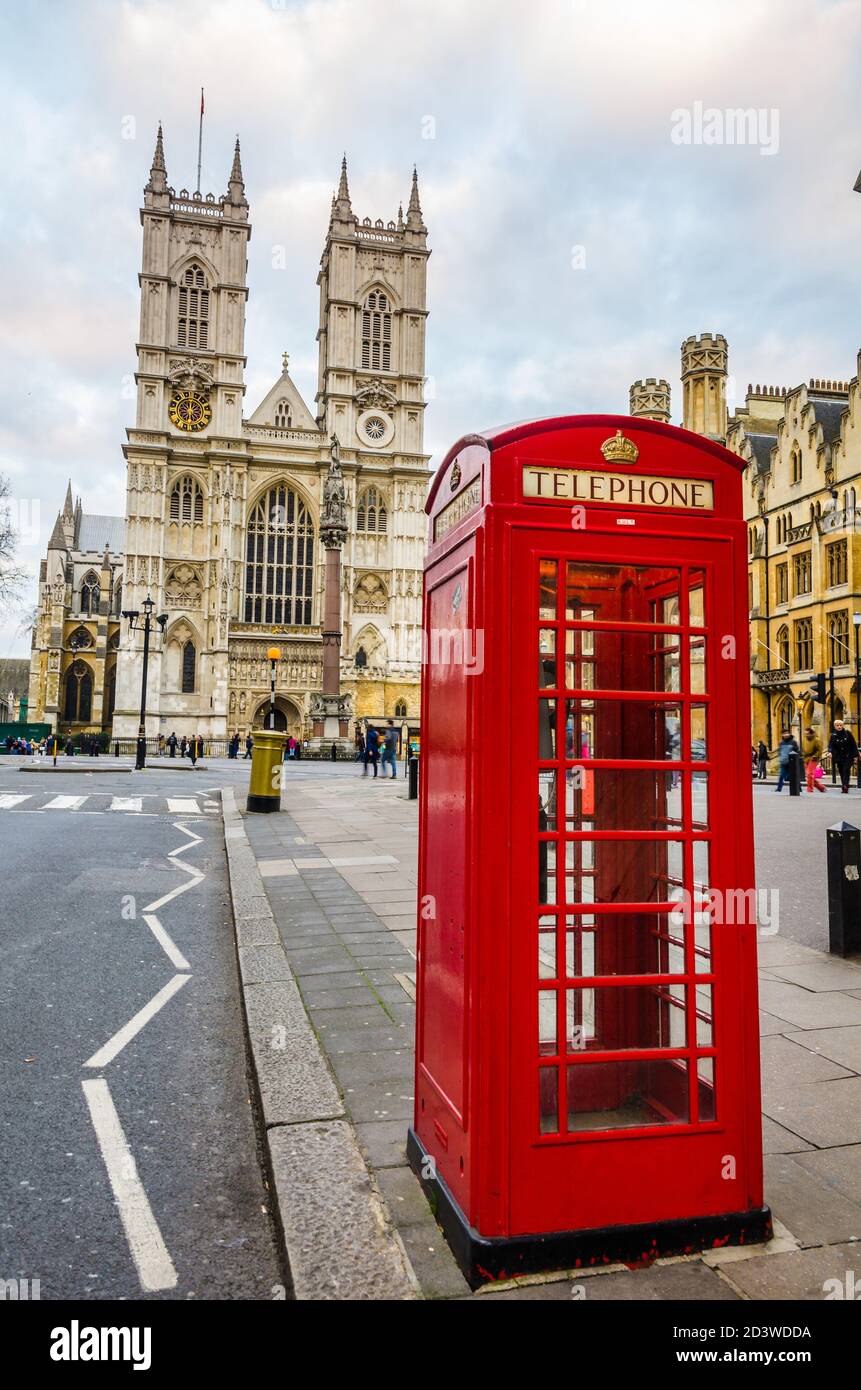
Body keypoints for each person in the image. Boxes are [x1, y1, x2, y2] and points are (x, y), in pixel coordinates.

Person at [829, 719, 859, 794]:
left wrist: (855, 756)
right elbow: (831, 745)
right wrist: (830, 752)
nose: (839, 727)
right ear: (835, 726)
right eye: (837, 725)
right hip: (839, 757)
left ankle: (845, 786)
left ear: (843, 726)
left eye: (841, 725)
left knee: (846, 770)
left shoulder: (848, 733)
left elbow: (853, 745)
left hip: (848, 756)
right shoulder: (833, 735)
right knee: (841, 771)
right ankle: (844, 785)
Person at [802, 725, 826, 794]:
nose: (806, 735)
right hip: (806, 758)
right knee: (809, 775)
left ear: (810, 733)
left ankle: (810, 789)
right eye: (805, 733)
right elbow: (804, 749)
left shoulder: (816, 739)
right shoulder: (804, 739)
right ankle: (821, 787)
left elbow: (820, 750)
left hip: (814, 758)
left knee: (809, 773)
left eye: (807, 733)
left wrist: (815, 756)